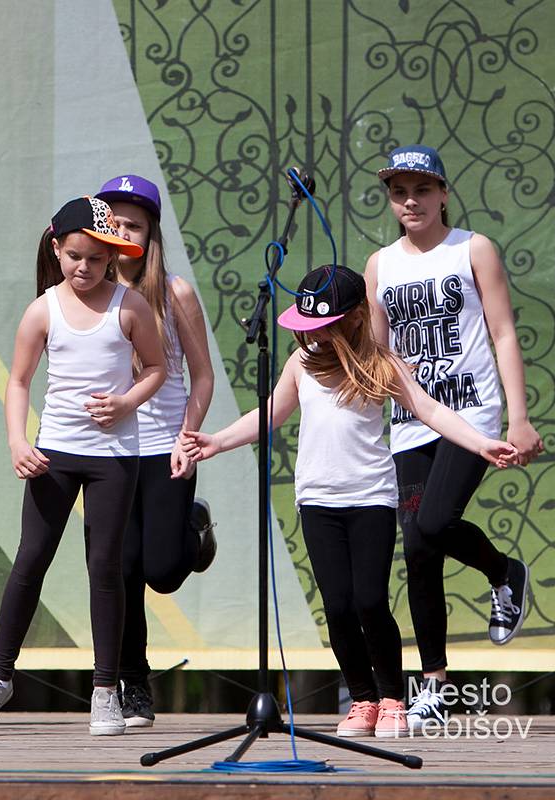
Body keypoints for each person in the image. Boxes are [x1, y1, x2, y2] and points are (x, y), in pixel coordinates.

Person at [181, 264, 517, 738]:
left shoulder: (382, 364)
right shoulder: (300, 365)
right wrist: (217, 441)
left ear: (356, 318)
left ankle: (392, 699)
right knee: (338, 606)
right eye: (308, 326)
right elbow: (271, 413)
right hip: (317, 501)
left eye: (324, 325)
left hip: (370, 500)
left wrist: (481, 443)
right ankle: (363, 699)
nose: (313, 335)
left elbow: (430, 410)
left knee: (370, 601)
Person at [0, 197, 166, 736]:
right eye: (75, 256)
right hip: (54, 451)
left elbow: (157, 367)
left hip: (114, 457)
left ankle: (105, 690)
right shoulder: (43, 309)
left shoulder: (129, 306)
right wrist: (16, 441)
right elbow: (19, 381)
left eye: (96, 259)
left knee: (106, 567)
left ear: (112, 257)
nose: (84, 267)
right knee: (31, 559)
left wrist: (126, 402)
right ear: (56, 250)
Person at [364, 145, 544, 728]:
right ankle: (435, 687)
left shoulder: (473, 248)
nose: (410, 201)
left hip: (472, 413)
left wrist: (518, 417)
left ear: (443, 193)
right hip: (411, 421)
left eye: (422, 190)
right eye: (399, 192)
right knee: (418, 547)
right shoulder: (379, 265)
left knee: (435, 522)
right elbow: (378, 351)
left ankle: (503, 572)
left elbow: (504, 333)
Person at [94, 174, 215, 728]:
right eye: (113, 223)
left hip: (166, 447)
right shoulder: (84, 291)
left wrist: (188, 437)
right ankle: (133, 681)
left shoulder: (175, 292)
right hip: (107, 455)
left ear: (152, 233)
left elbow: (203, 376)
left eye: (134, 226)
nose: (122, 234)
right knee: (121, 571)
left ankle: (194, 527)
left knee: (162, 571)